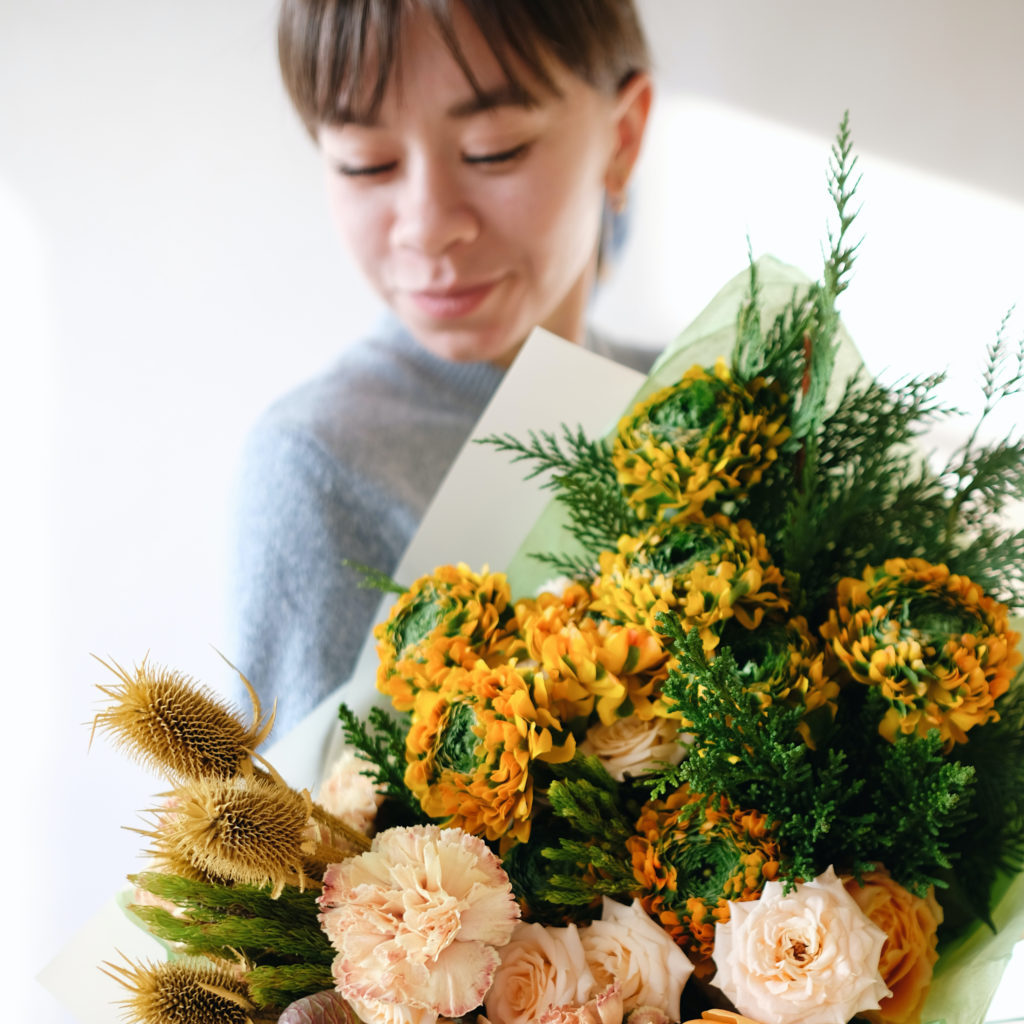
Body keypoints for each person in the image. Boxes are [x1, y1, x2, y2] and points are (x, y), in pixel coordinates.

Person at [231, 0, 658, 733]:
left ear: (622, 137)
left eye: (493, 150)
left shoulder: (703, 404)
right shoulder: (322, 463)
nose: (428, 225)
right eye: (368, 163)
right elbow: (285, 838)